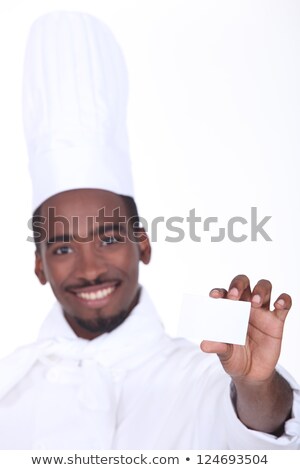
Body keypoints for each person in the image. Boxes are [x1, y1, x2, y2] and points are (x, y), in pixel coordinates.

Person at [0, 11, 299, 450]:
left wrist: (256, 384)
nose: (89, 269)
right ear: (39, 266)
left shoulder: (197, 377)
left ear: (142, 244)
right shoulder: (10, 390)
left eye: (107, 238)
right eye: (63, 248)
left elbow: (258, 425)